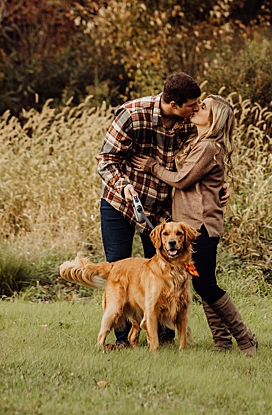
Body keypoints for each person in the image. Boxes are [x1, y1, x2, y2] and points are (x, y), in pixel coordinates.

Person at [138, 94, 257, 356]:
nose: (197, 108)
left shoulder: (207, 147)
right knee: (201, 281)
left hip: (200, 227)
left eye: (204, 108)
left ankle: (245, 337)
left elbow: (181, 179)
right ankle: (222, 342)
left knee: (204, 284)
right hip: (193, 227)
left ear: (214, 120)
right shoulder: (199, 143)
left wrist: (152, 166)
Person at [94, 72, 200, 349]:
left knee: (161, 271)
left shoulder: (188, 122)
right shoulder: (132, 114)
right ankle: (123, 340)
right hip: (120, 204)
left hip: (159, 210)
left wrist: (218, 186)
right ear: (174, 104)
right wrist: (124, 186)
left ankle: (162, 336)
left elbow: (197, 162)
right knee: (120, 269)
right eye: (191, 104)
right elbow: (105, 159)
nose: (196, 109)